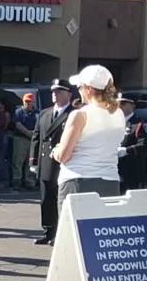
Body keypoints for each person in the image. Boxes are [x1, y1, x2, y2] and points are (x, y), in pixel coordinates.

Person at [51, 65, 127, 211]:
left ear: (89, 89)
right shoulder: (119, 114)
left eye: (80, 87)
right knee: (103, 231)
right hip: (110, 182)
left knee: (73, 231)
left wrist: (56, 151)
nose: (78, 91)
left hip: (78, 181)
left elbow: (63, 155)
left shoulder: (80, 115)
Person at [29, 79, 75, 244]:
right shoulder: (45, 113)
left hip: (63, 162)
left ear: (68, 94)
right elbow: (37, 137)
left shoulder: (73, 114)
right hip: (45, 162)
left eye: (59, 91)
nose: (55, 94)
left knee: (60, 199)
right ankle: (48, 231)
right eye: (53, 91)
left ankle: (60, 233)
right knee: (46, 199)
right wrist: (33, 161)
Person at [11, 93, 39, 190]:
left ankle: (30, 182)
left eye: (29, 101)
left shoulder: (37, 113)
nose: (27, 103)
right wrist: (28, 133)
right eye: (26, 101)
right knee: (18, 160)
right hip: (20, 139)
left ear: (33, 102)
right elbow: (17, 124)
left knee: (31, 161)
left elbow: (39, 124)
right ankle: (16, 181)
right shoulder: (18, 112)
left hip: (33, 139)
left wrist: (34, 134)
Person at [119, 94, 146, 192]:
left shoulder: (140, 123)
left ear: (133, 106)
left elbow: (143, 144)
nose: (119, 106)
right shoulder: (114, 122)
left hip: (132, 171)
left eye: (122, 103)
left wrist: (126, 150)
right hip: (116, 172)